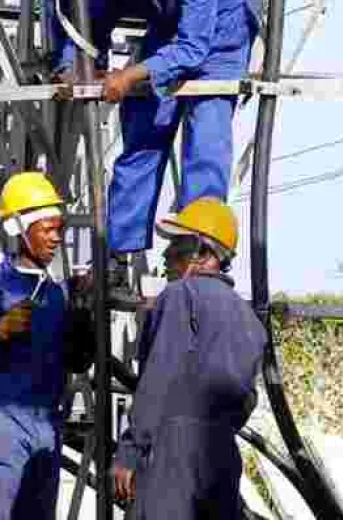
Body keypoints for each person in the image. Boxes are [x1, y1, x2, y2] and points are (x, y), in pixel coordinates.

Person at [53, 0, 261, 295]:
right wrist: (70, 67)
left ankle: (198, 251)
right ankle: (117, 257)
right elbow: (90, 22)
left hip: (220, 47)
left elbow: (193, 48)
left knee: (206, 147)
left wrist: (129, 75)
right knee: (142, 144)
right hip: (167, 40)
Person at [111, 197, 267, 519]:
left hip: (172, 462)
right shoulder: (249, 318)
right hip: (221, 460)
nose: (166, 255)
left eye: (177, 245)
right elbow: (247, 400)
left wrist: (129, 452)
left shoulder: (181, 295)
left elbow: (157, 380)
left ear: (203, 253)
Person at [0, 171, 94, 520]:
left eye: (59, 229)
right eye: (48, 229)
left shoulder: (57, 295)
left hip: (46, 427)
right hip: (2, 427)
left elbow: (78, 361)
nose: (57, 238)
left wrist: (83, 316)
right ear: (19, 228)